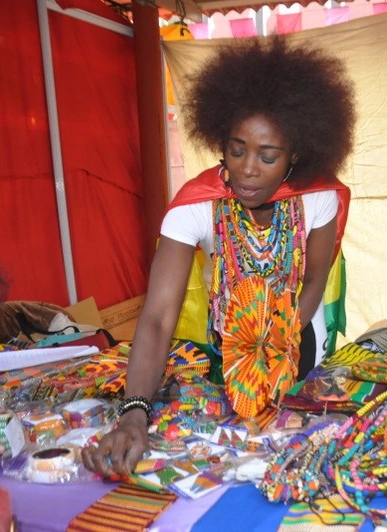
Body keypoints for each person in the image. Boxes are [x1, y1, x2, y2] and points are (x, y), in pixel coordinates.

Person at [82, 37, 356, 476]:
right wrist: (134, 412)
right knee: (233, 449)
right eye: (236, 149)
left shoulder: (318, 197)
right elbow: (156, 317)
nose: (248, 168)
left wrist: (278, 341)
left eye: (268, 156)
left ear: (295, 155)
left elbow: (315, 282)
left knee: (296, 447)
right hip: (225, 344)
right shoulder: (196, 206)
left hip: (299, 334)